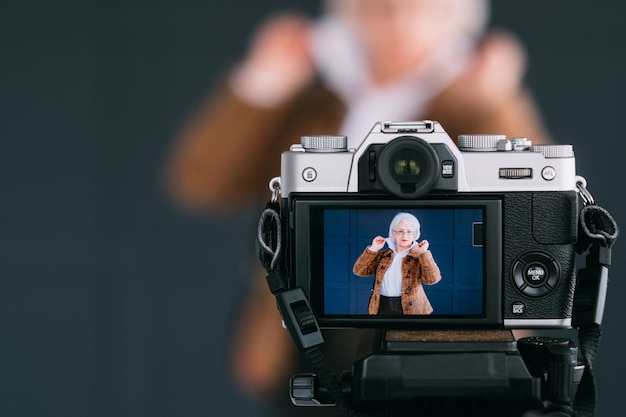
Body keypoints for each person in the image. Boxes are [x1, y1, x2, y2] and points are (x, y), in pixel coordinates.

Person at [164, 0, 554, 411]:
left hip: (442, 348)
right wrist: (263, 81)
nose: (402, 24)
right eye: (381, 9)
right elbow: (201, 184)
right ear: (348, 15)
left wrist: (496, 102)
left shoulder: (475, 99)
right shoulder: (317, 103)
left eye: (426, 10)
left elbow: (534, 214)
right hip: (309, 337)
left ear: (459, 21)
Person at [353, 212, 441, 315]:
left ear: (415, 234)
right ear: (393, 233)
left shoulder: (418, 256)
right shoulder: (384, 255)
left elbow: (432, 279)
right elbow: (359, 271)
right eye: (400, 231)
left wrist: (423, 253)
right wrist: (373, 249)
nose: (405, 235)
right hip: (381, 305)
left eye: (409, 231)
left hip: (411, 308)